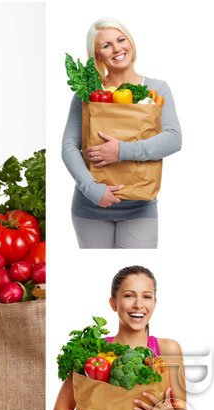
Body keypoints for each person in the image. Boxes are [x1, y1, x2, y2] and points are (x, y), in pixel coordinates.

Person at [52, 266, 188, 410]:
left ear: (155, 302)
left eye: (147, 296)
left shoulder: (168, 349)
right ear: (113, 303)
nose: (138, 304)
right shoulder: (93, 350)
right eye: (128, 296)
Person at [62, 19, 182, 249]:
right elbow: (69, 146)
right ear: (97, 56)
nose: (117, 49)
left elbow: (174, 137)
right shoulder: (86, 94)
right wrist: (92, 189)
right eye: (106, 46)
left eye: (121, 40)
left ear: (130, 43)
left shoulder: (157, 88)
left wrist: (121, 151)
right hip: (90, 207)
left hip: (140, 206)